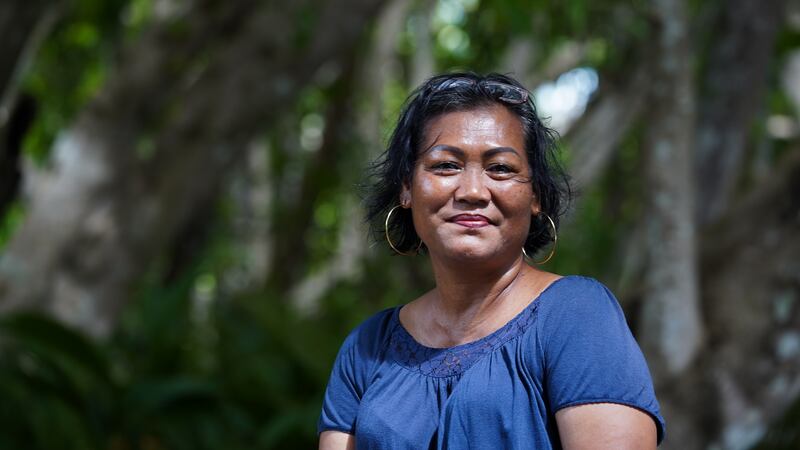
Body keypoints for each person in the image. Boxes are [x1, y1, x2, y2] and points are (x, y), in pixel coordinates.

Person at [317, 72, 665, 449]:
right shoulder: (367, 348)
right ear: (407, 188)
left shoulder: (577, 316)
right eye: (446, 165)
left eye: (500, 168)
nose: (471, 191)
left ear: (535, 197)